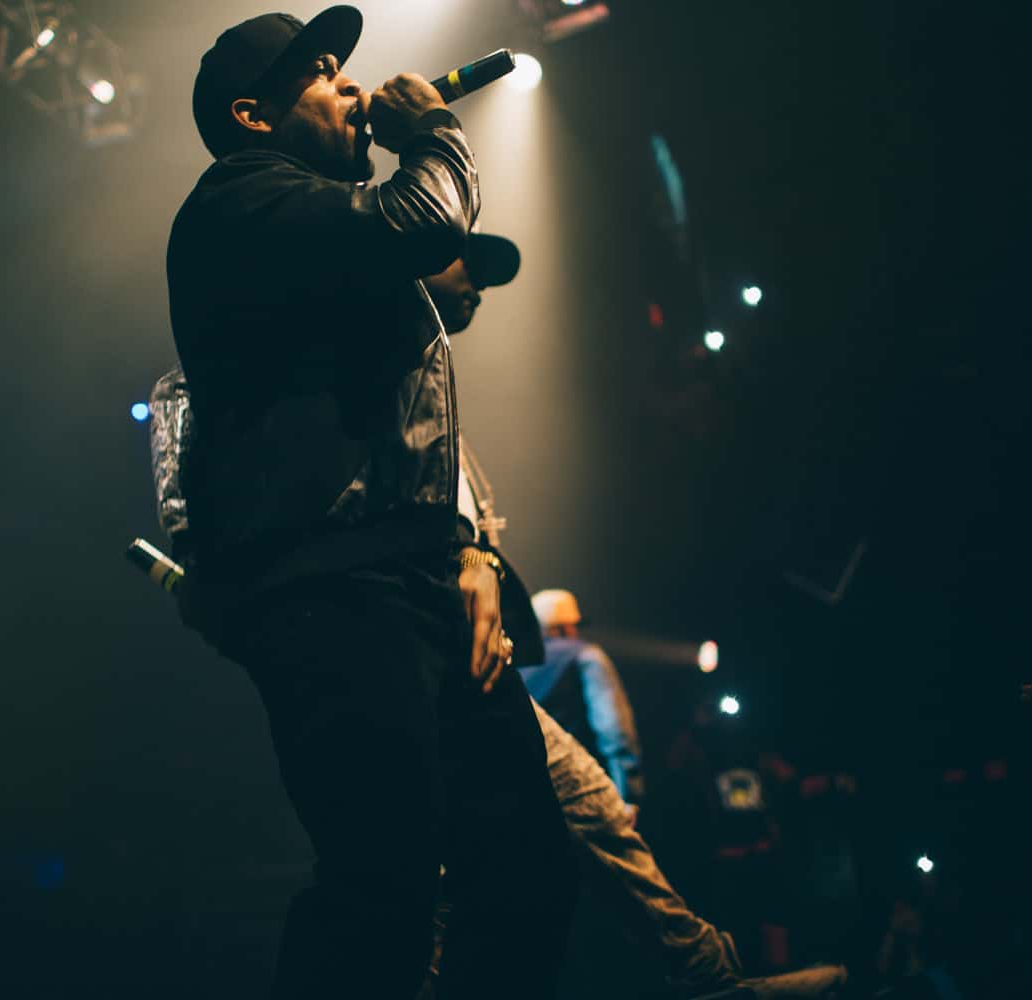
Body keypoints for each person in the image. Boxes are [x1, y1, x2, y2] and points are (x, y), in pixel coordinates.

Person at [153, 227, 848, 999]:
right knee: (406, 876)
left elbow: (436, 529)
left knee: (565, 817)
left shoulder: (429, 391)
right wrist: (207, 562)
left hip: (456, 661)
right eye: (466, 264)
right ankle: (702, 972)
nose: (479, 287)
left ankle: (707, 972)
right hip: (381, 655)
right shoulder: (331, 363)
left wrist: (477, 561)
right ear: (414, 258)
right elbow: (193, 407)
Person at [164, 8, 577, 998]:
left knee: (521, 860)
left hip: (406, 579)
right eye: (322, 72)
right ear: (253, 115)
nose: (354, 85)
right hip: (332, 589)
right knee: (381, 878)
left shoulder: (314, 228)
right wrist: (432, 128)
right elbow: (424, 220)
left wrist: (466, 553)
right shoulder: (241, 200)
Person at [522, 589, 646, 816]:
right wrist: (628, 794)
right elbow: (614, 729)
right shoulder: (586, 656)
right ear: (567, 627)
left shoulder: (518, 664)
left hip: (528, 792)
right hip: (580, 789)